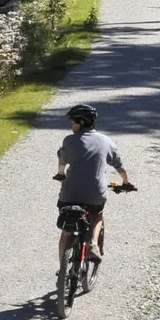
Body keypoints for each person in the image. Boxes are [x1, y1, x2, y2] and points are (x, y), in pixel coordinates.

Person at [53, 104, 133, 269]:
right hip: (95, 194)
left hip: (69, 194)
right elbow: (120, 166)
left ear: (81, 122)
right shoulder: (106, 141)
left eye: (73, 121)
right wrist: (126, 183)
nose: (71, 124)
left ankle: (63, 269)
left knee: (66, 231)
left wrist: (61, 174)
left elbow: (62, 163)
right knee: (97, 214)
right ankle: (93, 244)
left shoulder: (69, 140)